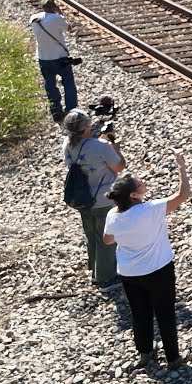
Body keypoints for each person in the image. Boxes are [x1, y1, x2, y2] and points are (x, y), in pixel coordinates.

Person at [103, 152, 192, 369]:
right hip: (158, 270)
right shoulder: (151, 210)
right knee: (165, 313)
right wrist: (181, 166)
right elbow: (184, 194)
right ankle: (173, 358)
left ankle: (145, 353)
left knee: (140, 314)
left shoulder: (113, 215)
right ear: (134, 195)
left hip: (129, 273)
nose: (144, 183)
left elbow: (107, 240)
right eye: (140, 183)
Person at [63, 108, 125, 288]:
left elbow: (88, 151)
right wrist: (116, 149)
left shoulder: (68, 144)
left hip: (81, 198)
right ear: (87, 126)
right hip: (103, 200)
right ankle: (106, 278)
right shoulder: (101, 146)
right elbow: (119, 167)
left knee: (91, 235)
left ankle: (95, 270)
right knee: (106, 239)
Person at [30, 0, 77, 121]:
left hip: (43, 57)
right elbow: (69, 28)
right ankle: (71, 111)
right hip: (60, 57)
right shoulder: (57, 18)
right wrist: (60, 12)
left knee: (50, 85)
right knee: (68, 83)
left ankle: (56, 111)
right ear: (54, 7)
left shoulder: (34, 19)